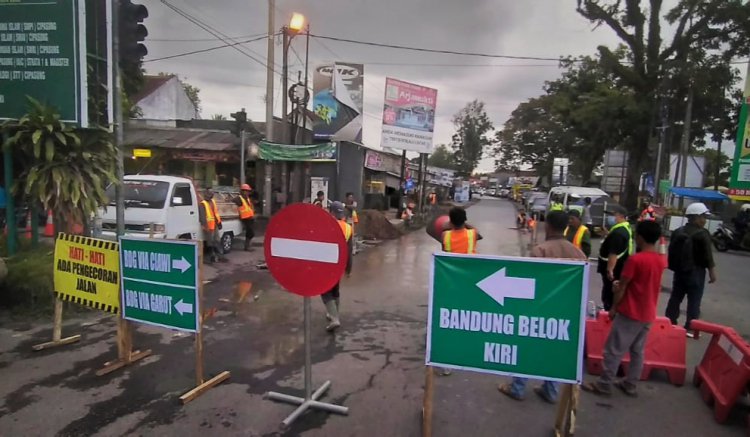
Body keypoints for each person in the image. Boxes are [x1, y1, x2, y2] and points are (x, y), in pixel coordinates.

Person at [498, 210, 586, 403]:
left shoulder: (541, 251)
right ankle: (551, 391)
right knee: (554, 348)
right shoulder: (578, 253)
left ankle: (518, 387)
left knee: (528, 346)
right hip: (565, 310)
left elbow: (529, 284)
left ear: (548, 226)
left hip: (539, 308)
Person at [584, 220, 666, 397]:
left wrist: (614, 307)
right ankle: (630, 384)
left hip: (630, 312)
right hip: (648, 313)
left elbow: (622, 287)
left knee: (613, 350)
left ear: (640, 238)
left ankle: (604, 384)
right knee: (637, 351)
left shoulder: (635, 260)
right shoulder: (660, 261)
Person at [665, 202, 717, 335]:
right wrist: (712, 272)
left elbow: (671, 251)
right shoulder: (702, 233)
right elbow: (707, 256)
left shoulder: (678, 231)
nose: (705, 220)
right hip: (696, 272)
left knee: (676, 297)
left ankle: (669, 322)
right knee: (694, 300)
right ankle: (691, 327)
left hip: (680, 272)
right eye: (703, 217)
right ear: (697, 217)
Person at [321, 201, 353, 331]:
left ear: (331, 212)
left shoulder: (327, 225)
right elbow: (349, 251)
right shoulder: (348, 228)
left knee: (324, 290)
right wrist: (348, 269)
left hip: (326, 262)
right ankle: (333, 314)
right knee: (335, 289)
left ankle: (334, 318)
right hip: (339, 264)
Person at [598, 205, 633, 311]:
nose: (611, 218)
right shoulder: (623, 228)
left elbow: (613, 253)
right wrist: (608, 234)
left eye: (613, 215)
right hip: (621, 265)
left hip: (615, 269)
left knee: (609, 293)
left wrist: (610, 270)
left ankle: (609, 311)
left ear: (621, 216)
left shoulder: (618, 233)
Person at [199, 189, 225, 263]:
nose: (210, 196)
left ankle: (219, 255)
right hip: (209, 226)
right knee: (210, 241)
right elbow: (202, 217)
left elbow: (215, 213)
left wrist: (219, 222)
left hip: (214, 224)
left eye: (211, 194)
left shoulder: (212, 202)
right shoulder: (202, 204)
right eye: (210, 194)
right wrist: (205, 226)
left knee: (217, 239)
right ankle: (212, 256)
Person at [235, 184, 255, 251]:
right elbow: (232, 202)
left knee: (250, 232)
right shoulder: (239, 198)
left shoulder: (247, 198)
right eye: (246, 191)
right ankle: (247, 247)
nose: (248, 192)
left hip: (250, 217)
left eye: (248, 191)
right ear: (242, 191)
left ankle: (247, 246)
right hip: (245, 218)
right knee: (250, 232)